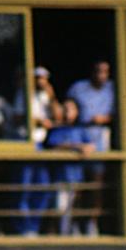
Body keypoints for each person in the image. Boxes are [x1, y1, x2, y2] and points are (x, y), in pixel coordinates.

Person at [67, 60, 114, 237]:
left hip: (100, 142)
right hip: (78, 140)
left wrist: (105, 119)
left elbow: (120, 113)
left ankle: (91, 224)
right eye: (97, 71)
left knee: (96, 185)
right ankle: (73, 224)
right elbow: (68, 108)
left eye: (105, 72)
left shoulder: (113, 89)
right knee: (77, 186)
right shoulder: (78, 88)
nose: (101, 75)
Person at [42, 98, 95, 236]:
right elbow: (53, 145)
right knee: (60, 209)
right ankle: (62, 236)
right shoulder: (56, 130)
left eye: (71, 109)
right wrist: (76, 146)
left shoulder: (80, 130)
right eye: (64, 108)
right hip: (59, 178)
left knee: (76, 209)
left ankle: (75, 234)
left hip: (77, 178)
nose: (67, 112)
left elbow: (90, 146)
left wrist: (85, 148)